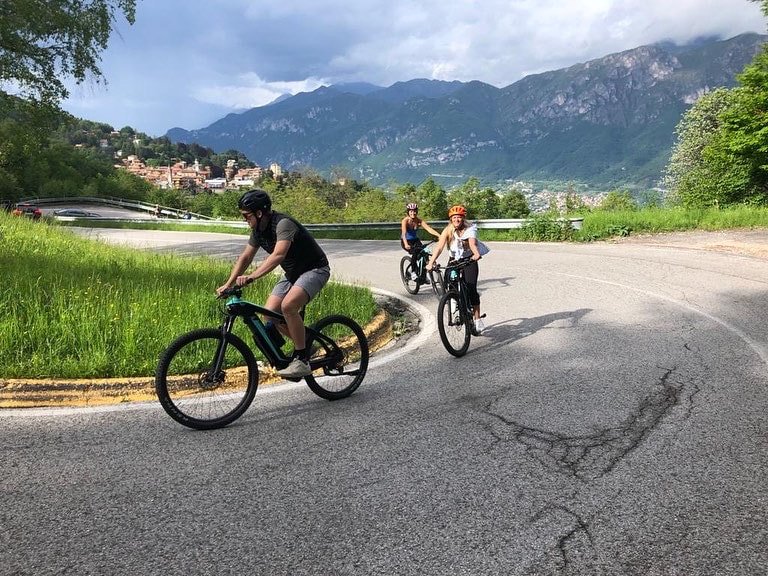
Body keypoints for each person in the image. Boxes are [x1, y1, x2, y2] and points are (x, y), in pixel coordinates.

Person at [216, 189, 331, 378]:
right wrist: (228, 284)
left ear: (259, 213)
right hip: (293, 273)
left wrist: (252, 277)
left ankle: (301, 360)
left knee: (288, 307)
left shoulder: (283, 224)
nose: (245, 220)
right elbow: (245, 257)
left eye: (247, 216)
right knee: (269, 314)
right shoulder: (258, 231)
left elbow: (278, 255)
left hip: (315, 270)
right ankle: (306, 345)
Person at [425, 204, 485, 335]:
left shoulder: (470, 229)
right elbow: (439, 247)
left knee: (471, 288)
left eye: (459, 217)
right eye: (454, 218)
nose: (456, 220)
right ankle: (453, 300)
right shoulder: (448, 230)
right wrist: (431, 262)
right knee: (449, 284)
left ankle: (477, 319)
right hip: (454, 261)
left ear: (463, 219)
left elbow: (473, 244)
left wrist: (476, 255)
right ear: (451, 219)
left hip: (469, 260)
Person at [400, 202, 440, 281]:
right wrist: (405, 244)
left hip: (415, 240)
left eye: (414, 211)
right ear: (408, 212)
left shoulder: (419, 221)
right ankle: (413, 272)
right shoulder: (405, 221)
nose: (413, 213)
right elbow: (404, 233)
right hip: (406, 241)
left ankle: (424, 276)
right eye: (411, 211)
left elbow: (429, 229)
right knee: (415, 252)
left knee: (424, 253)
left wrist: (440, 236)